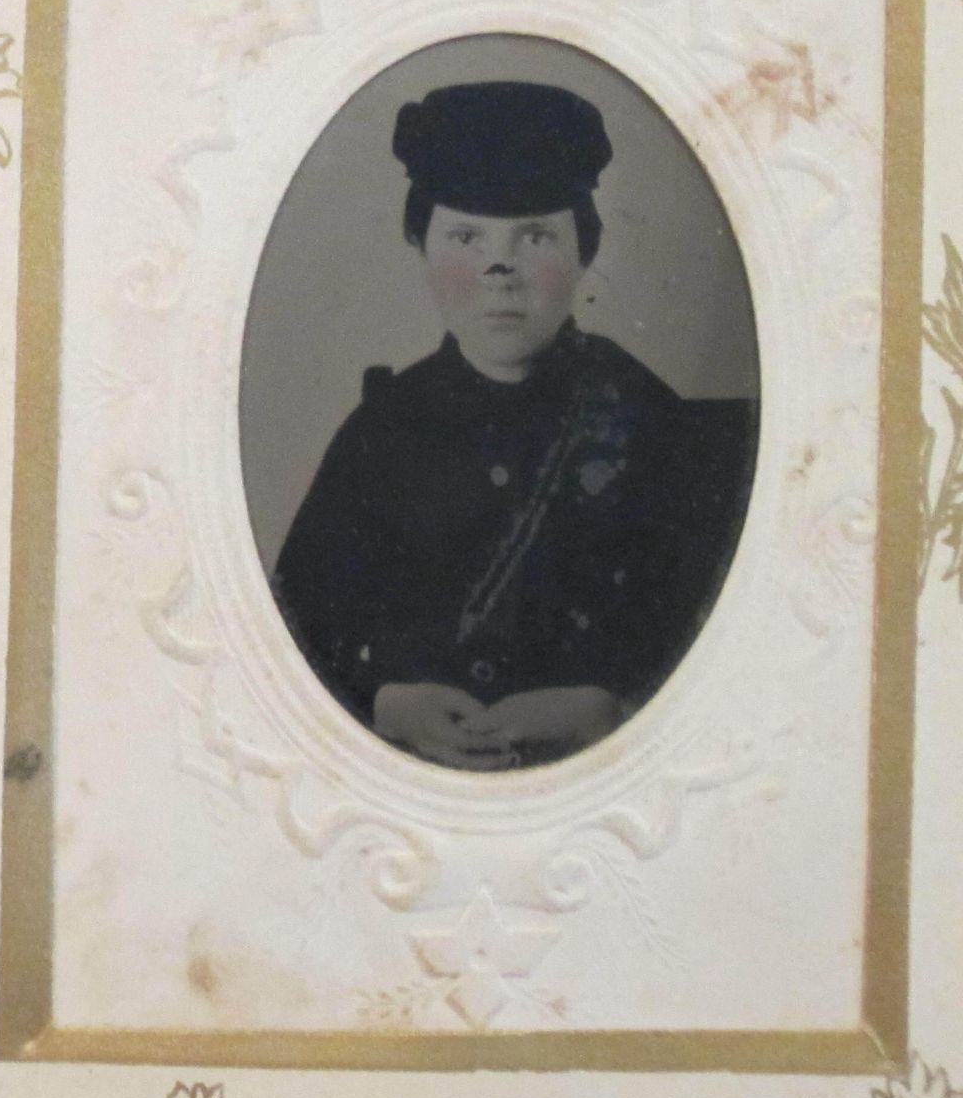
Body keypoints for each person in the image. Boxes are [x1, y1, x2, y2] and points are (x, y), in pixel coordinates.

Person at [269, 81, 751, 772]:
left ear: (585, 249)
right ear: (421, 245)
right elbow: (290, 637)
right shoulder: (384, 429)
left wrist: (611, 710)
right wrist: (385, 703)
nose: (500, 272)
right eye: (465, 236)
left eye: (535, 236)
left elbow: (727, 647)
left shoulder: (652, 422)